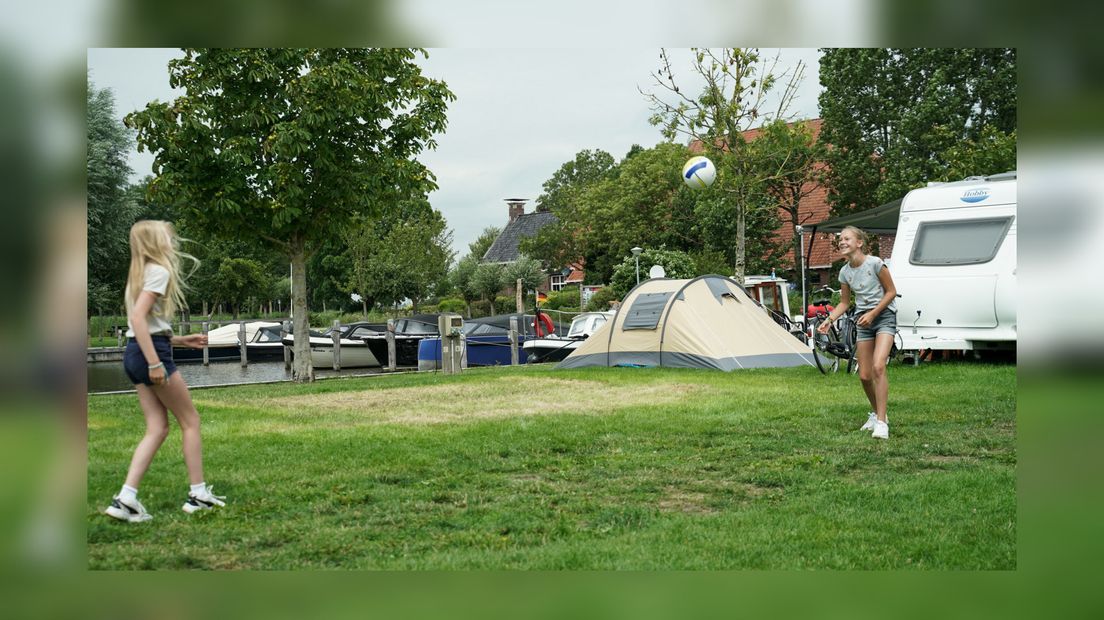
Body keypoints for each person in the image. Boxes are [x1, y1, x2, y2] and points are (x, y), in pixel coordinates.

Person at [104, 220, 227, 522]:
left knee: (157, 428)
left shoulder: (139, 276)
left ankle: (126, 499)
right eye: (168, 238)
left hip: (135, 353)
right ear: (155, 243)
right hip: (150, 355)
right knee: (190, 421)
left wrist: (182, 340)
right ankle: (198, 495)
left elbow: (143, 326)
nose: (173, 242)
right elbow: (138, 317)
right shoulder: (159, 271)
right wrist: (156, 363)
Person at [817, 225, 898, 439]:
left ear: (859, 243)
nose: (842, 242)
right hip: (863, 321)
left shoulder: (875, 264)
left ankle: (881, 423)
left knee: (879, 366)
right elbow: (844, 303)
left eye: (847, 239)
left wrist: (873, 313)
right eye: (840, 239)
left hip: (884, 316)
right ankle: (878, 414)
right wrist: (829, 320)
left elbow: (892, 292)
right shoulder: (844, 273)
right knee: (863, 375)